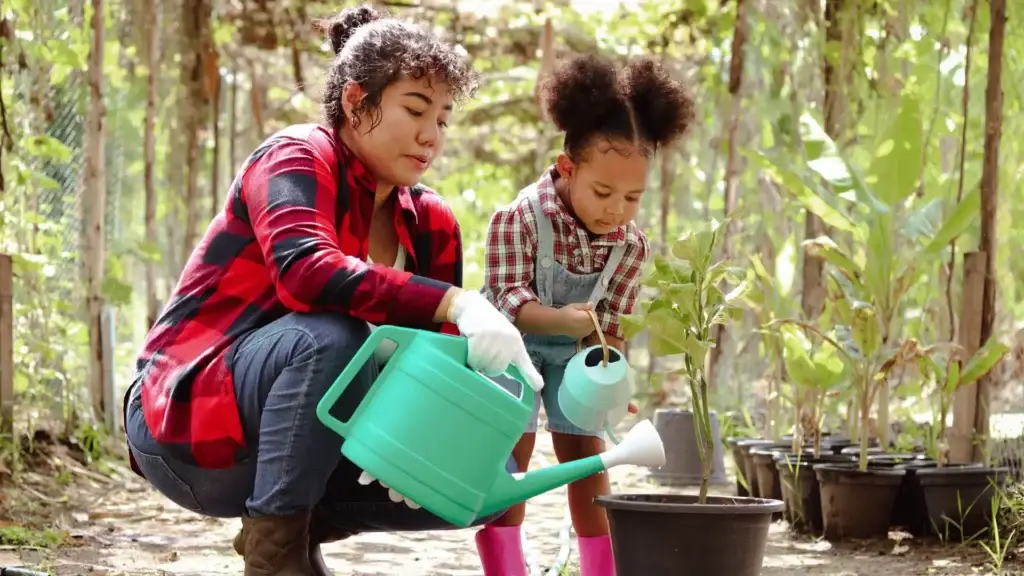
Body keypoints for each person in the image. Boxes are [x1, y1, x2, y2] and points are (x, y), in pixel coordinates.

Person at [122, 5, 544, 575]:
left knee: (459, 484)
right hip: (188, 428)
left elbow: (429, 366)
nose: (431, 135)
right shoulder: (296, 157)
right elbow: (308, 271)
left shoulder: (431, 223)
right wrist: (458, 302)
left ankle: (287, 536)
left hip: (310, 447)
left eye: (443, 119)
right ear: (354, 101)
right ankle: (277, 562)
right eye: (415, 109)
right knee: (329, 335)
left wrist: (439, 444)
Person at [478, 54, 695, 576]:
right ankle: (506, 565)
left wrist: (611, 374)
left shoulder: (630, 245)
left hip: (576, 358)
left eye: (632, 197)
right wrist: (562, 320)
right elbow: (507, 302)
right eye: (602, 192)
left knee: (589, 456)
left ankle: (601, 566)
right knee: (513, 461)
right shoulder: (519, 220)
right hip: (510, 350)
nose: (616, 209)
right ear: (567, 166)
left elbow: (613, 324)